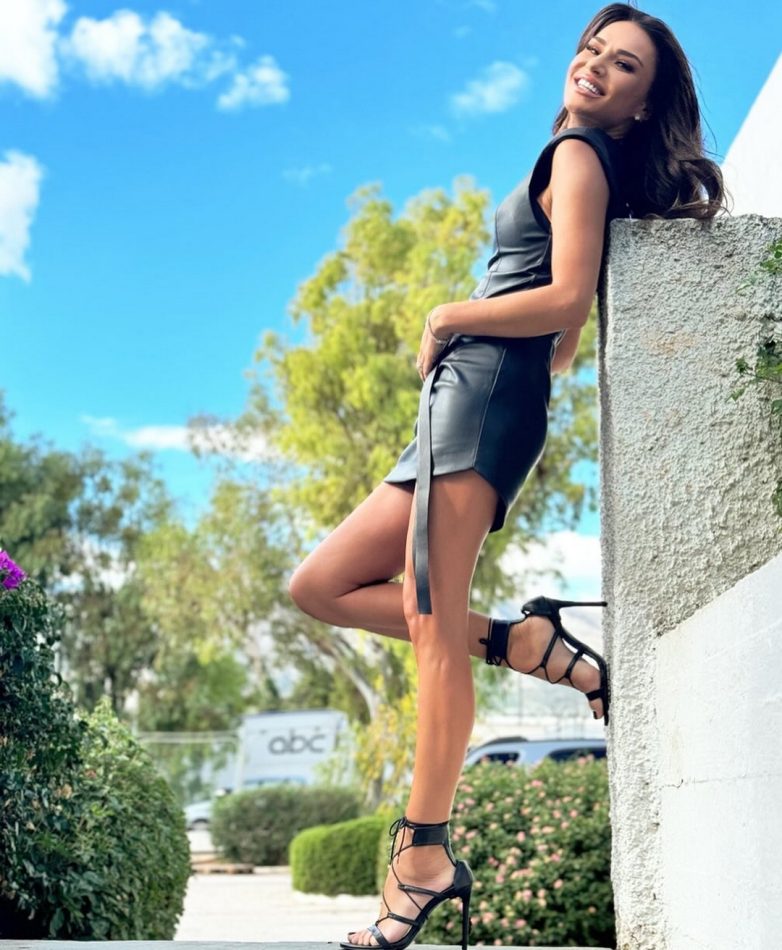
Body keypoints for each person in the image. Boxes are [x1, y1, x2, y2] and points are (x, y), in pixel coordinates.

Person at [288, 4, 727, 949]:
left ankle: (423, 858)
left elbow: (564, 299)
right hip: (472, 396)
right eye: (593, 49)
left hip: (478, 398)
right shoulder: (576, 157)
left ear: (642, 105)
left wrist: (449, 315)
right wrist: (511, 341)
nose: (596, 66)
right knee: (321, 585)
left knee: (432, 629)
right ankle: (525, 643)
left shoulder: (577, 155)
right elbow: (563, 325)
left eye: (624, 65)